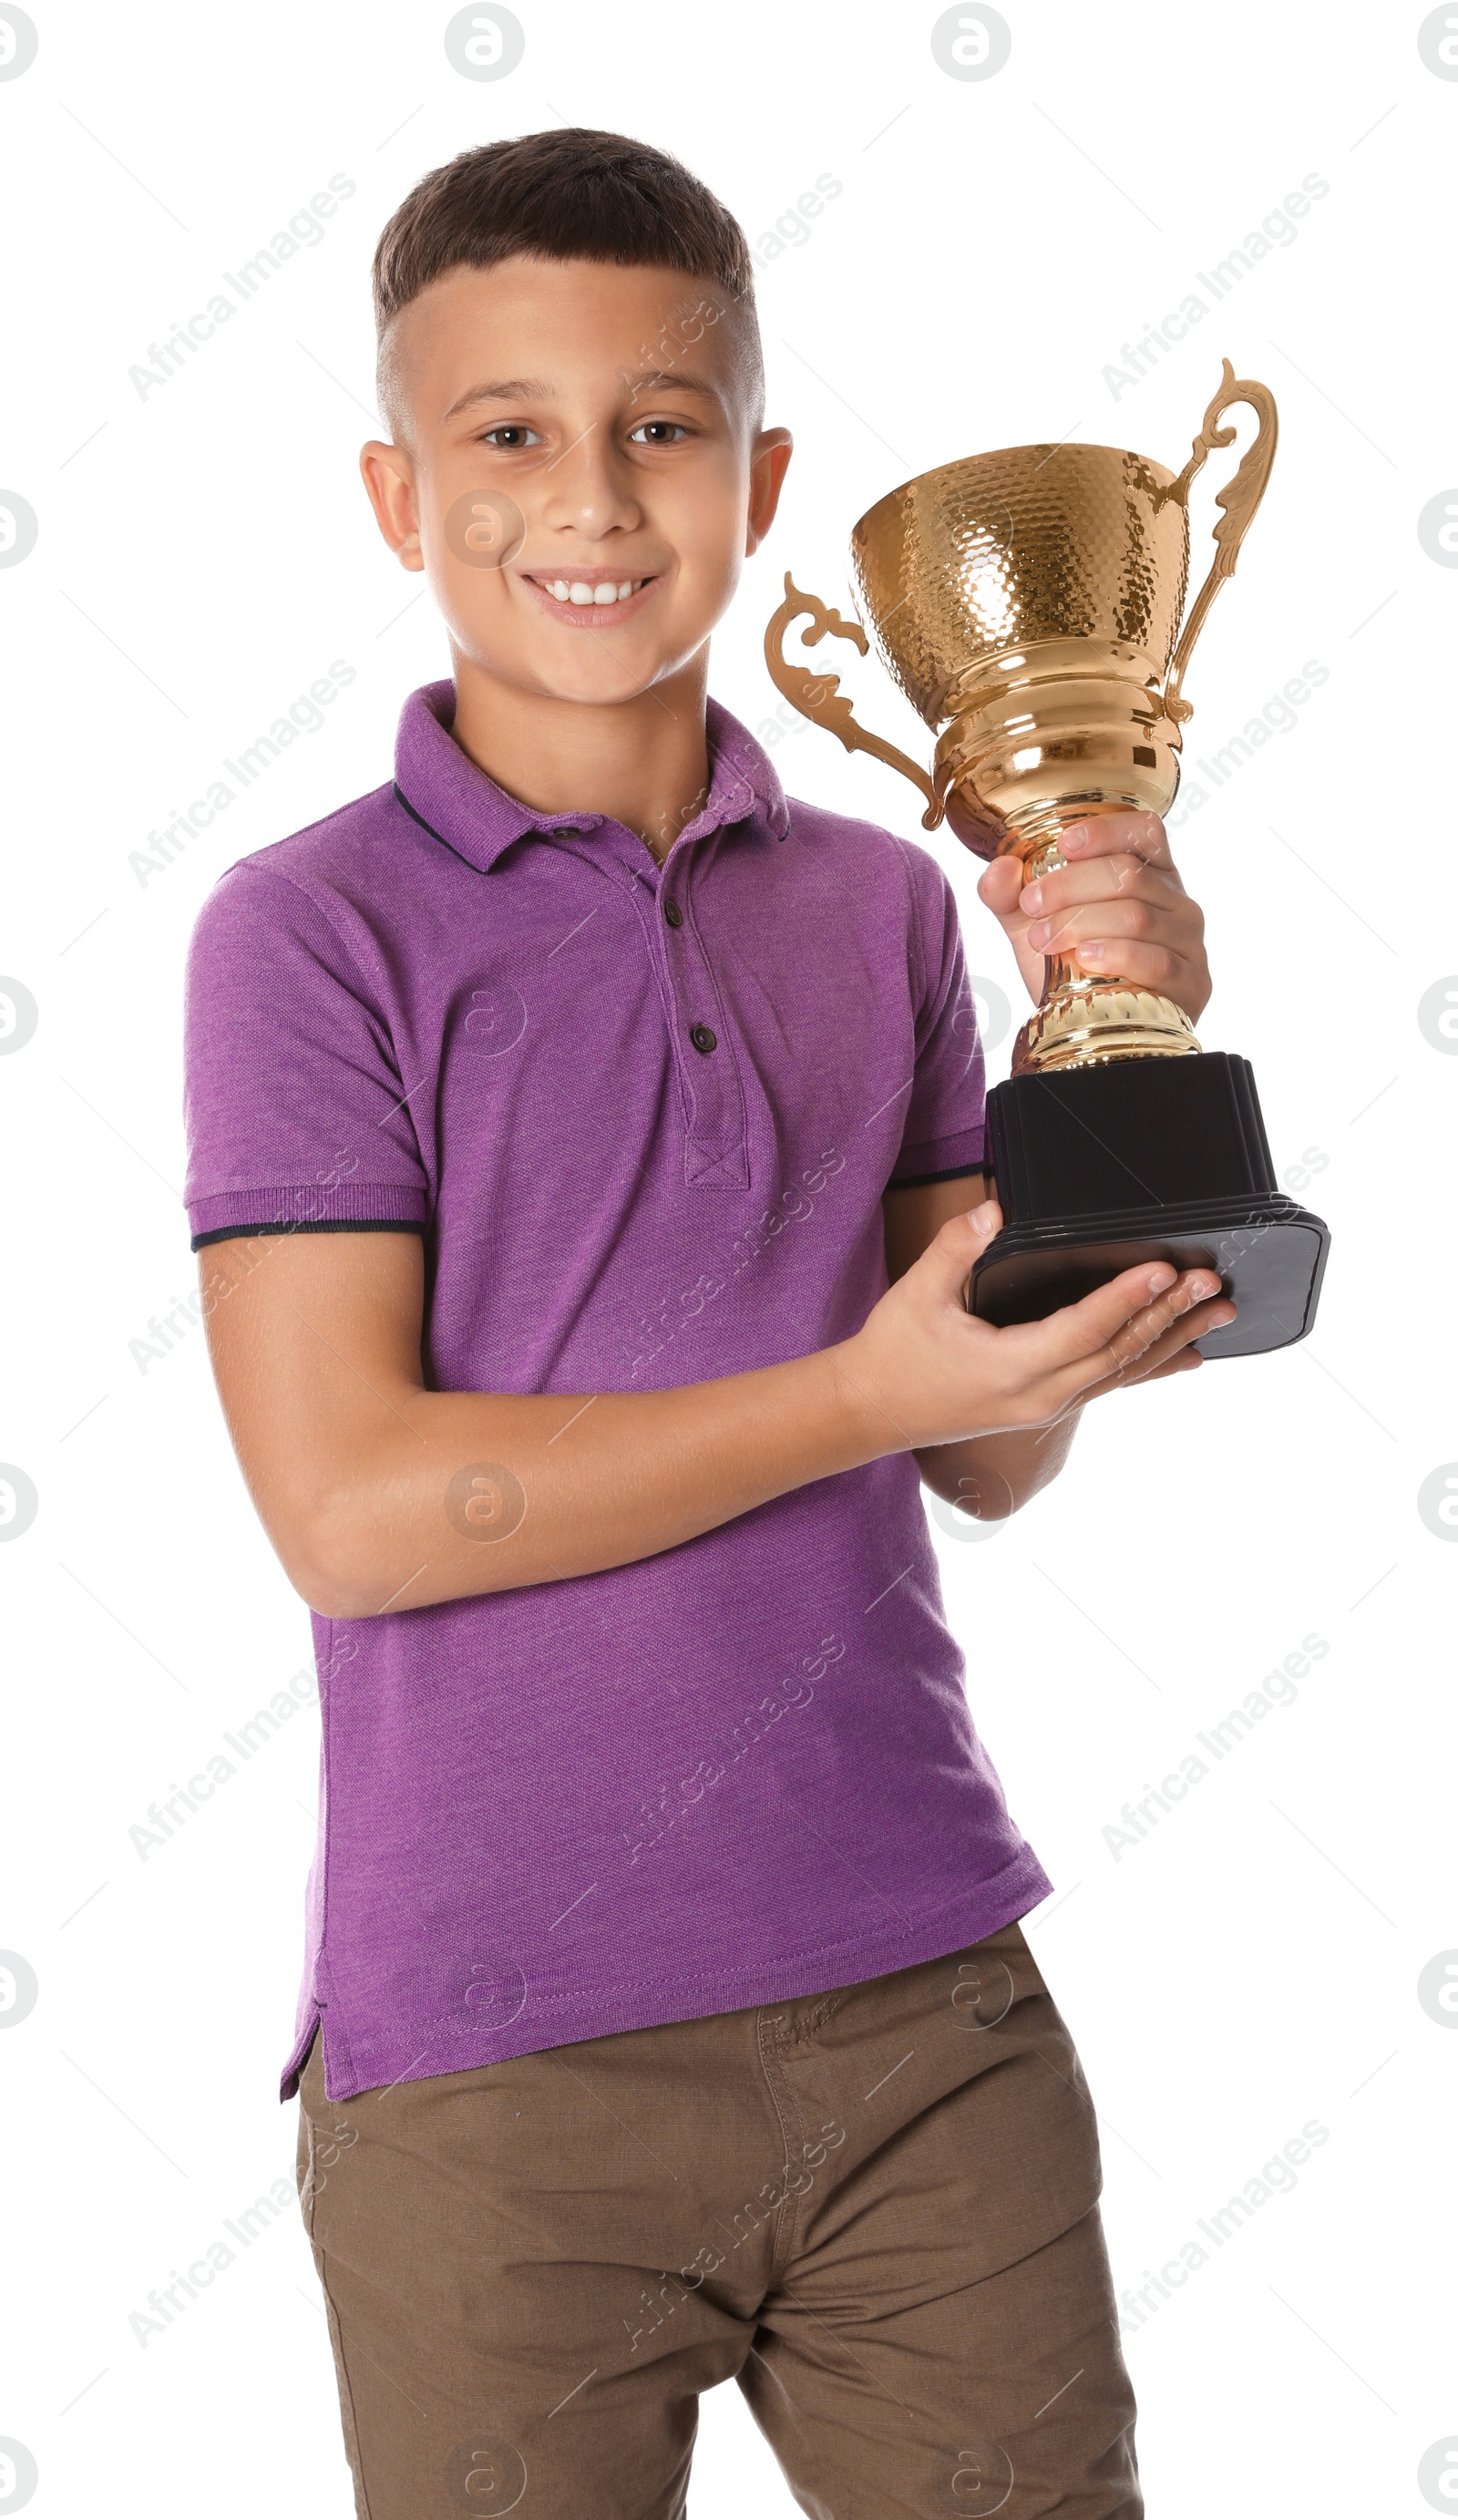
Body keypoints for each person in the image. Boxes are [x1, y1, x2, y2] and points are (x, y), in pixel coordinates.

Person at [183, 127, 1231, 2520]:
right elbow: (347, 1513)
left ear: (760, 478)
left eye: (660, 427)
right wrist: (875, 1389)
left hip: (924, 2009)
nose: (594, 495)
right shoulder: (304, 935)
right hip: (498, 2070)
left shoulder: (877, 904)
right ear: (394, 492)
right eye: (509, 432)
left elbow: (985, 1446)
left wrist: (1119, 1063)